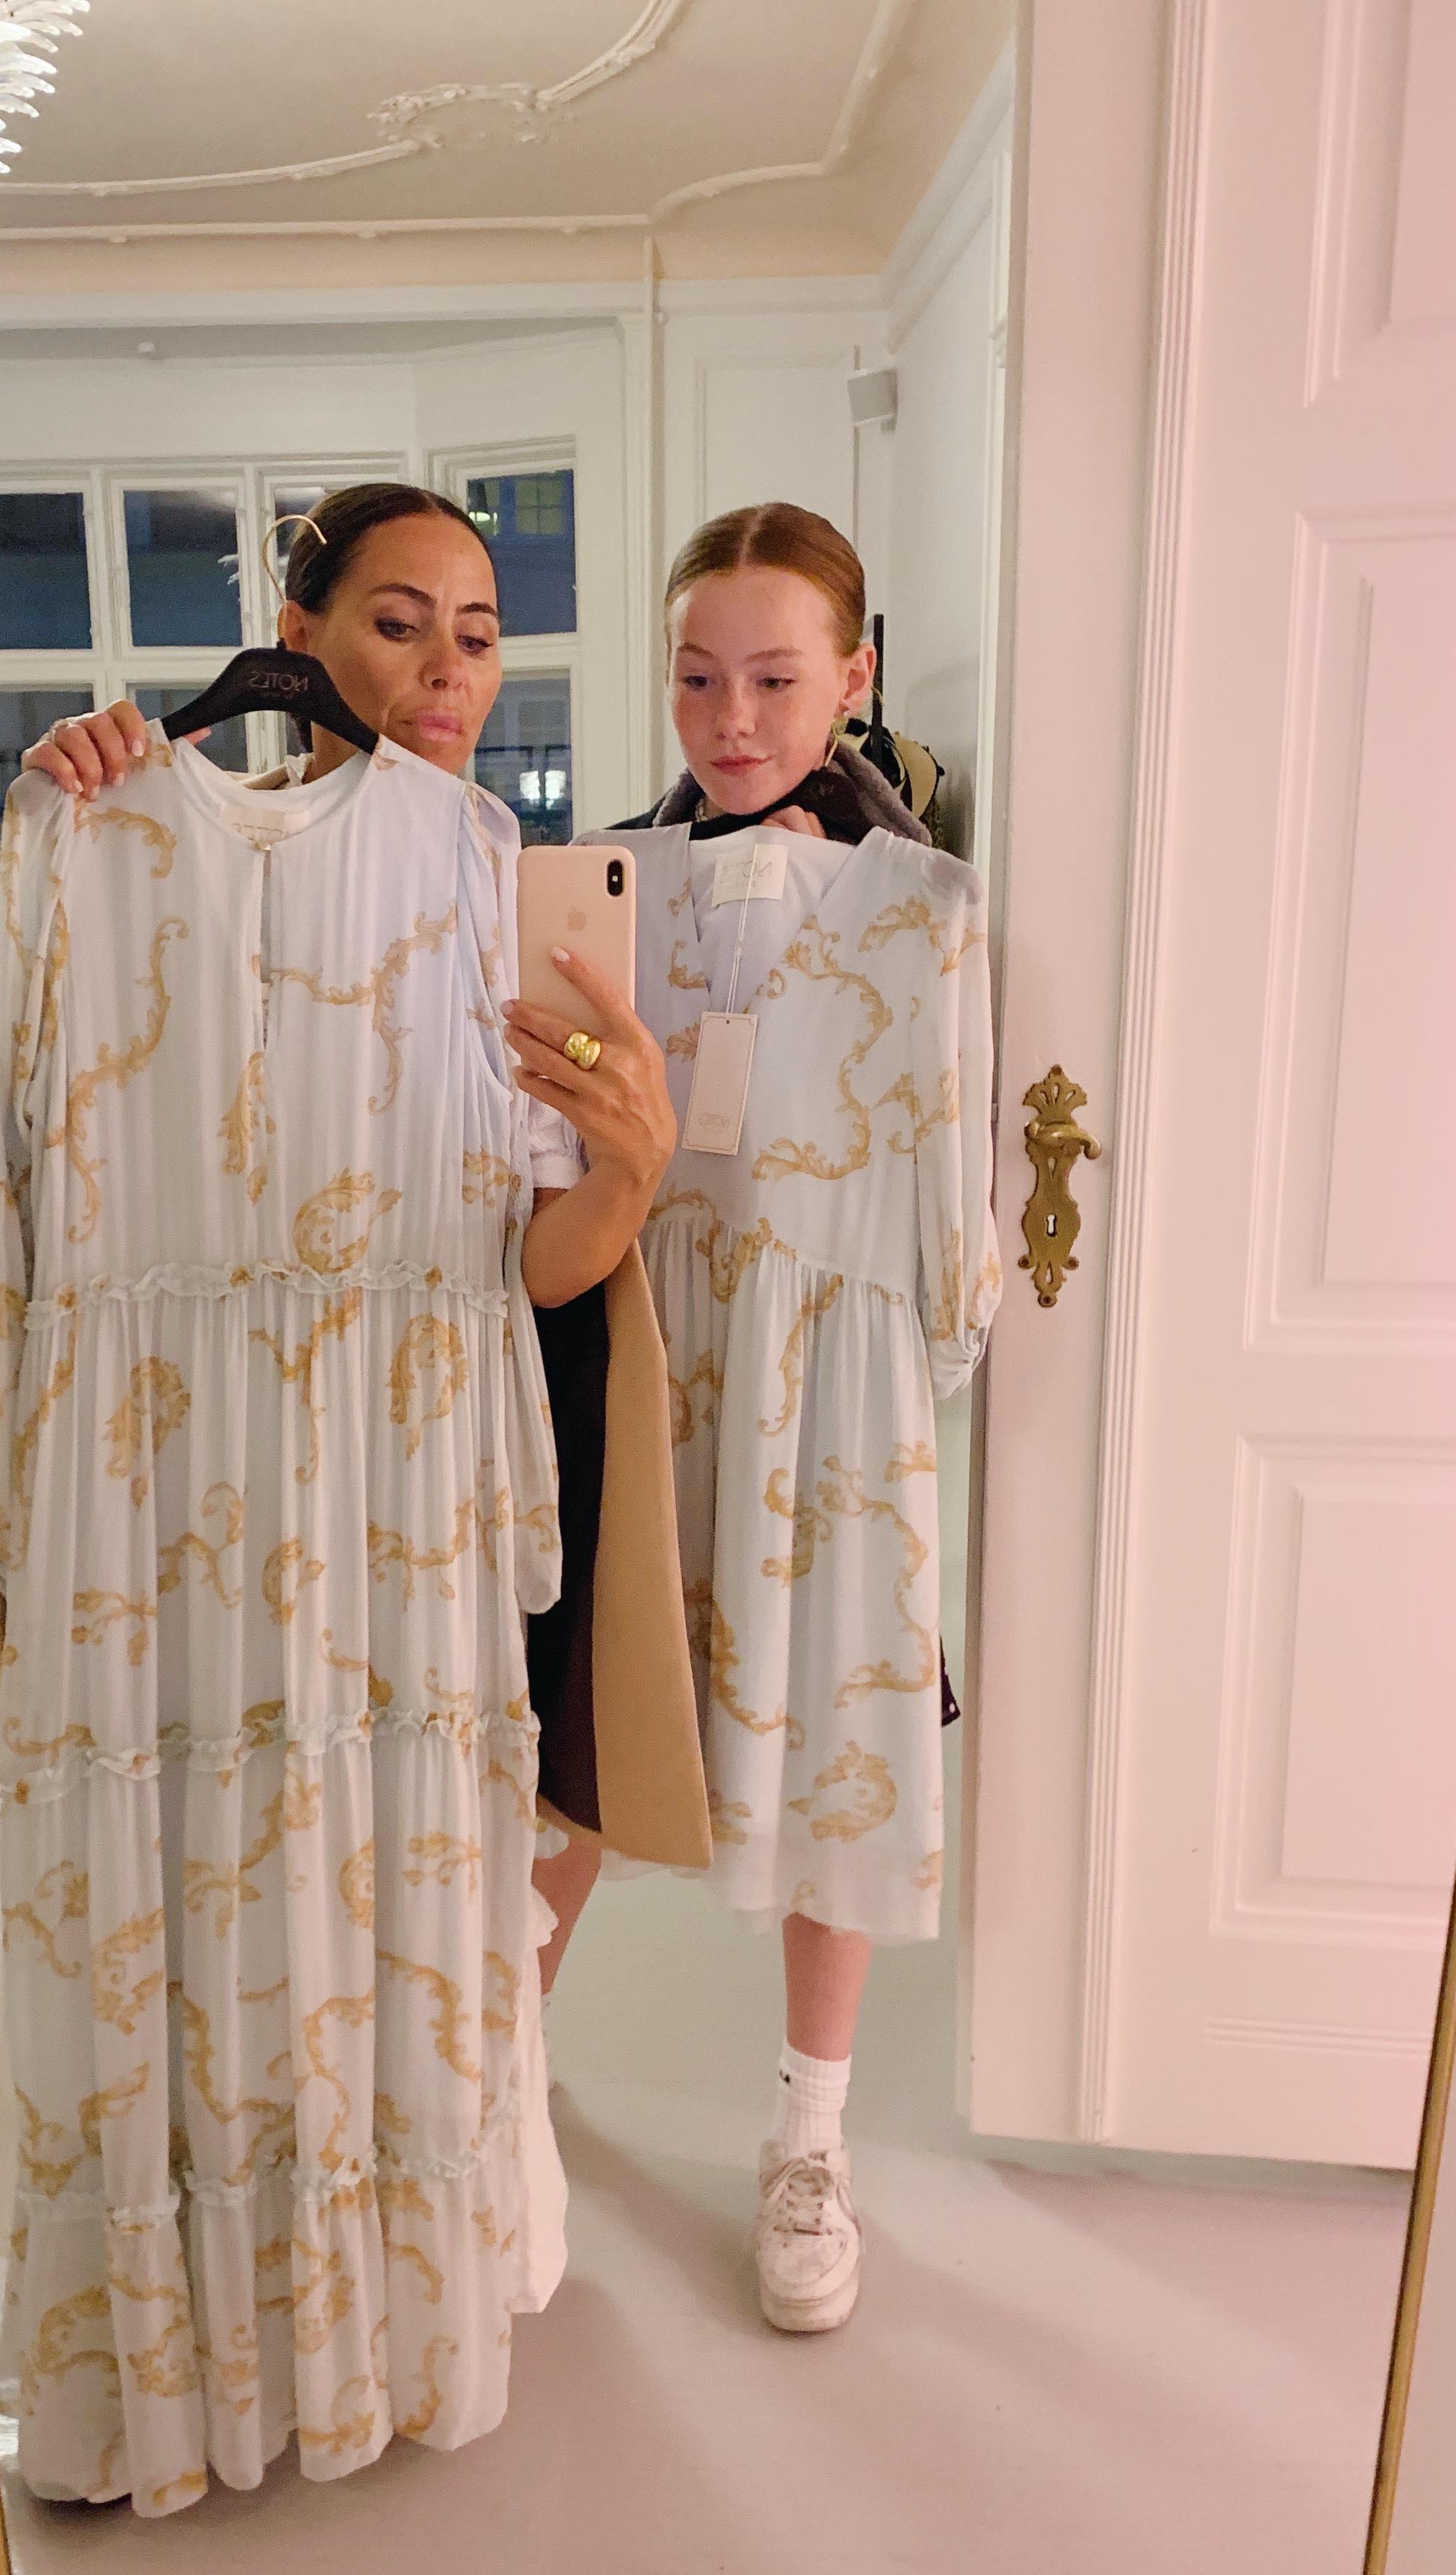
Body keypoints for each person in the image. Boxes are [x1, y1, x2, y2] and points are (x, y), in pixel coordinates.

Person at [13, 486, 706, 1893]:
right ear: (299, 636)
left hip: (416, 1449)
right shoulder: (126, 836)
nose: (450, 669)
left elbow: (537, 1261)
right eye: (401, 626)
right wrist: (55, 811)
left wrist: (635, 1165)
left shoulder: (495, 873)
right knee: (214, 1840)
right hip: (193, 1457)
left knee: (416, 1853)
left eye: (479, 636)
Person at [544, 503, 1002, 2336]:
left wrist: (909, 1372)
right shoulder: (599, 891)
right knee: (574, 1726)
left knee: (832, 1754)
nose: (731, 719)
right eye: (696, 677)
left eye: (775, 677)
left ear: (854, 678)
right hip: (644, 1355)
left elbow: (952, 1208)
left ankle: (811, 2136)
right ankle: (494, 2072)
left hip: (832, 1397)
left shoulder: (926, 911)